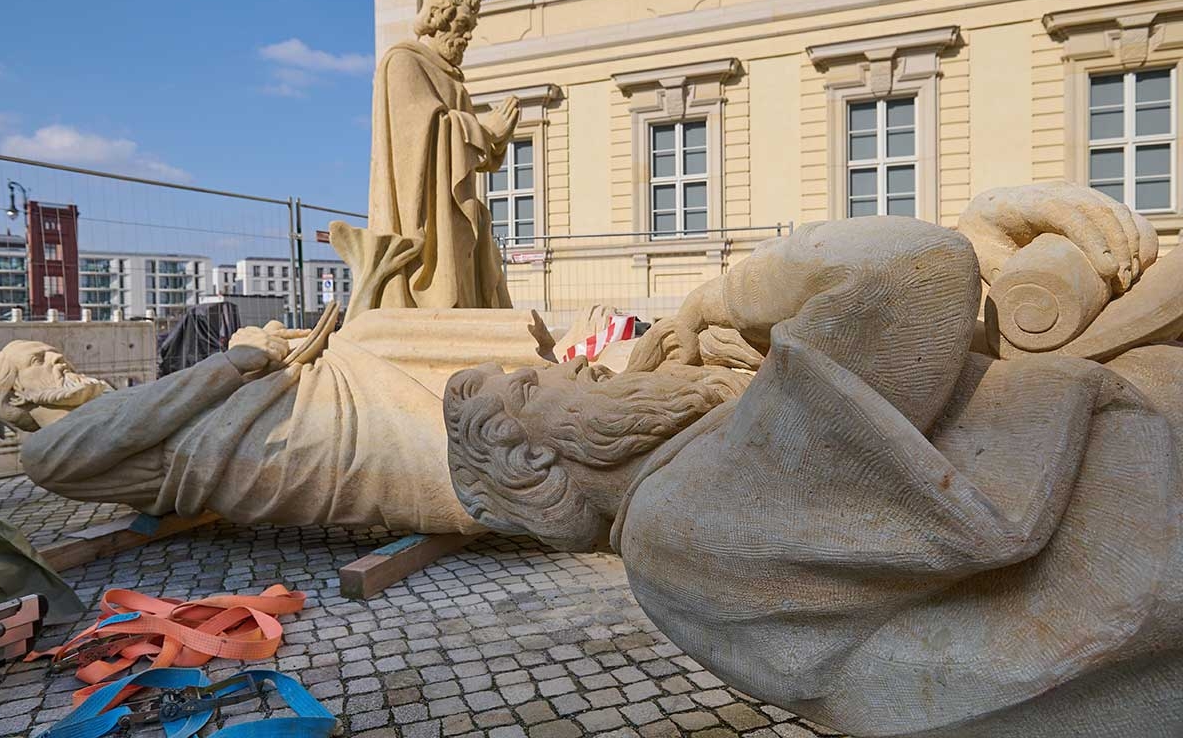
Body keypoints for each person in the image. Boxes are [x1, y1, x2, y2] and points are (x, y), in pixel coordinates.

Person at [445, 210, 1183, 738]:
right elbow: (907, 269)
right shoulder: (686, 505)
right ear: (536, 458)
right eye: (532, 387)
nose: (573, 361)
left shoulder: (674, 501)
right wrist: (720, 298)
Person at [0, 323, 482, 534]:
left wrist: (245, 357)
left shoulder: (101, 405)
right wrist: (232, 362)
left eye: (54, 352)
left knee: (369, 335)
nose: (57, 358)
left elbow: (155, 406)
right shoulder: (45, 453)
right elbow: (137, 422)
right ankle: (499, 470)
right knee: (385, 436)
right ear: (16, 397)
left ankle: (508, 386)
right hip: (235, 454)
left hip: (238, 417)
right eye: (38, 359)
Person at [365, 0, 518, 309]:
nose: (466, 38)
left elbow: (471, 158)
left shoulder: (454, 82)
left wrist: (496, 140)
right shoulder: (404, 63)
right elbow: (418, 135)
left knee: (479, 226)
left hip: (455, 210)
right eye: (461, 26)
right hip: (422, 215)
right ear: (437, 20)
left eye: (470, 30)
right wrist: (483, 130)